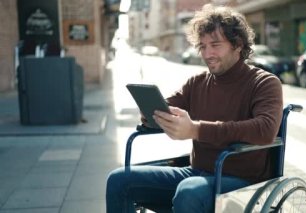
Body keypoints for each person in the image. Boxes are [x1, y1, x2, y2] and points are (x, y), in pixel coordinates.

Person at [106, 4, 283, 213]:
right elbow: (169, 105)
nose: (207, 54)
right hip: (197, 173)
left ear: (238, 44)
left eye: (215, 45)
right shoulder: (197, 83)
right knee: (119, 180)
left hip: (244, 182)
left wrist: (196, 130)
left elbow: (265, 130)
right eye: (202, 46)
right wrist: (152, 113)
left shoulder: (264, 82)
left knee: (189, 191)